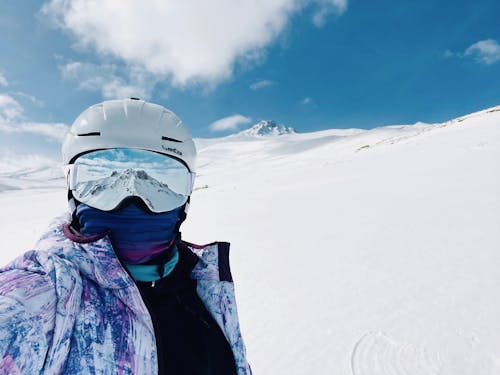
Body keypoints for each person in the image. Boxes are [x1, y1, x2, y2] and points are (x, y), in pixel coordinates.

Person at [0, 98, 251, 374]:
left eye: (162, 187)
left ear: (186, 198)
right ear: (71, 191)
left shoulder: (205, 285)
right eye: (101, 185)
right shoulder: (47, 294)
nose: (134, 203)